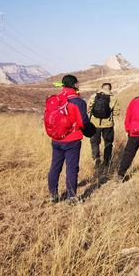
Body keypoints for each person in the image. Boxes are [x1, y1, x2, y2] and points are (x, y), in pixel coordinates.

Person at [47, 75, 90, 204]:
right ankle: (71, 197)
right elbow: (83, 122)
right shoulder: (78, 101)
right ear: (75, 85)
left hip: (56, 139)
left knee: (55, 166)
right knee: (71, 167)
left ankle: (53, 195)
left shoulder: (55, 98)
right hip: (72, 140)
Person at [87, 82, 119, 177]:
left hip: (95, 124)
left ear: (101, 88)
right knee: (108, 143)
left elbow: (88, 109)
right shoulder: (113, 98)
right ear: (110, 88)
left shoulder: (94, 96)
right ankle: (107, 161)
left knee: (94, 142)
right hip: (108, 125)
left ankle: (96, 158)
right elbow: (117, 112)